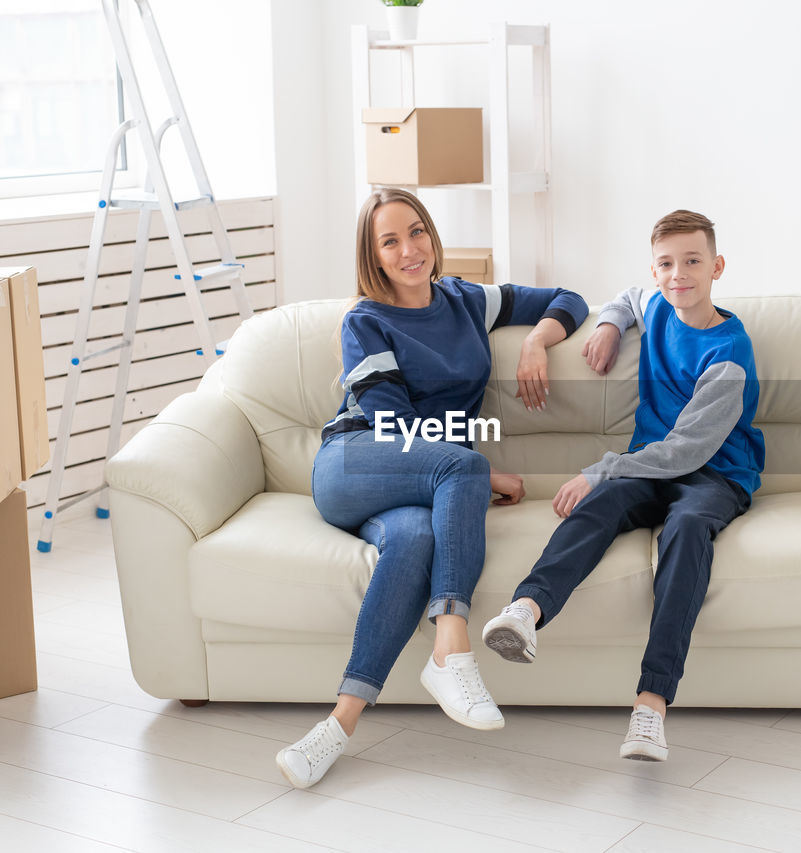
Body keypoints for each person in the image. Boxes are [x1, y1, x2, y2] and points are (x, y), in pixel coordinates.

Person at [276, 188, 588, 788]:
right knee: (464, 466)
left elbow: (566, 298)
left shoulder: (466, 301)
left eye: (416, 232)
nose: (409, 250)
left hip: (418, 488)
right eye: (389, 241)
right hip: (355, 463)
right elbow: (392, 421)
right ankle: (452, 646)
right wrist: (481, 471)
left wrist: (533, 340)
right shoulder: (365, 321)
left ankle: (336, 727)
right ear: (373, 256)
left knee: (416, 541)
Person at [482, 209, 764, 762]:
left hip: (715, 473)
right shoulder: (656, 303)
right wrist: (610, 324)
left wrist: (599, 467)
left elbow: (688, 449)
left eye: (693, 262)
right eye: (667, 263)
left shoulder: (729, 353)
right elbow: (626, 297)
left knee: (685, 531)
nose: (678, 274)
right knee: (599, 505)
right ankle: (526, 611)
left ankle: (650, 707)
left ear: (718, 267)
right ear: (655, 270)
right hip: (647, 466)